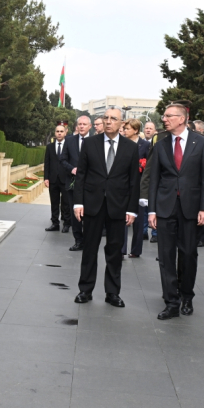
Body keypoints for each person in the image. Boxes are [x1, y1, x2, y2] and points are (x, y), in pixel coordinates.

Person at [147, 103, 204, 320]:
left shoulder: (201, 143)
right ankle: (171, 301)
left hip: (191, 209)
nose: (164, 119)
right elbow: (153, 179)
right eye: (164, 116)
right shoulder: (160, 145)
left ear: (182, 118)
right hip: (165, 208)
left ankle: (187, 296)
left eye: (168, 116)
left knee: (188, 255)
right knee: (165, 256)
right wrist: (152, 210)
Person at [72, 108, 140, 306]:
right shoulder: (89, 144)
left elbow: (134, 181)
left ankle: (112, 293)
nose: (109, 121)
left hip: (118, 206)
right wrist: (78, 202)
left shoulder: (130, 147)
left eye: (113, 119)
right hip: (92, 205)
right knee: (90, 249)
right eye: (106, 118)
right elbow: (81, 175)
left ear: (121, 123)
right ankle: (85, 290)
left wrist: (131, 209)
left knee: (114, 251)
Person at [60, 115, 91, 246]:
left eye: (85, 124)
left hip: (90, 184)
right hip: (73, 183)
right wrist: (72, 169)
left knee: (89, 213)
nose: (82, 126)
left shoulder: (96, 141)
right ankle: (78, 240)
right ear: (77, 126)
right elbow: (62, 159)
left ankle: (89, 240)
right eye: (80, 124)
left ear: (90, 126)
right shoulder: (69, 140)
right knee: (75, 212)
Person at [121, 118, 150, 258]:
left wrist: (140, 166)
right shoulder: (121, 143)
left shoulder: (145, 145)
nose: (125, 131)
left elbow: (149, 166)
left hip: (139, 186)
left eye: (127, 128)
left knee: (138, 219)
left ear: (136, 130)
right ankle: (121, 249)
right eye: (124, 128)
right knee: (122, 218)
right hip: (123, 185)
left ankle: (136, 250)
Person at [43, 122, 71, 232]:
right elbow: (47, 163)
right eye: (57, 131)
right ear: (55, 133)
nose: (59, 133)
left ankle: (66, 224)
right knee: (54, 202)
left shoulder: (69, 146)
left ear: (65, 133)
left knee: (66, 203)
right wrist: (46, 178)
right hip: (53, 179)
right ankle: (55, 223)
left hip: (65, 179)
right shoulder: (50, 147)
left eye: (61, 131)